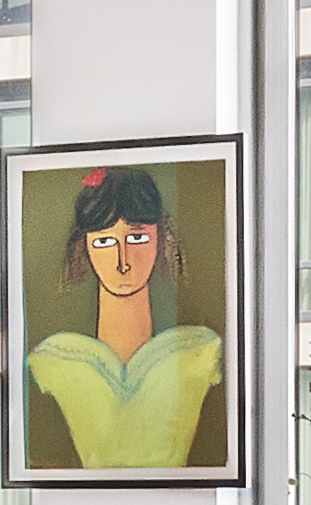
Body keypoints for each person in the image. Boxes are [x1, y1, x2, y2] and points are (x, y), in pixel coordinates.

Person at [26, 165, 223, 470]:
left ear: (162, 240)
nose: (122, 263)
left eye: (137, 239)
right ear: (84, 248)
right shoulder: (51, 362)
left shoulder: (203, 353)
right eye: (104, 242)